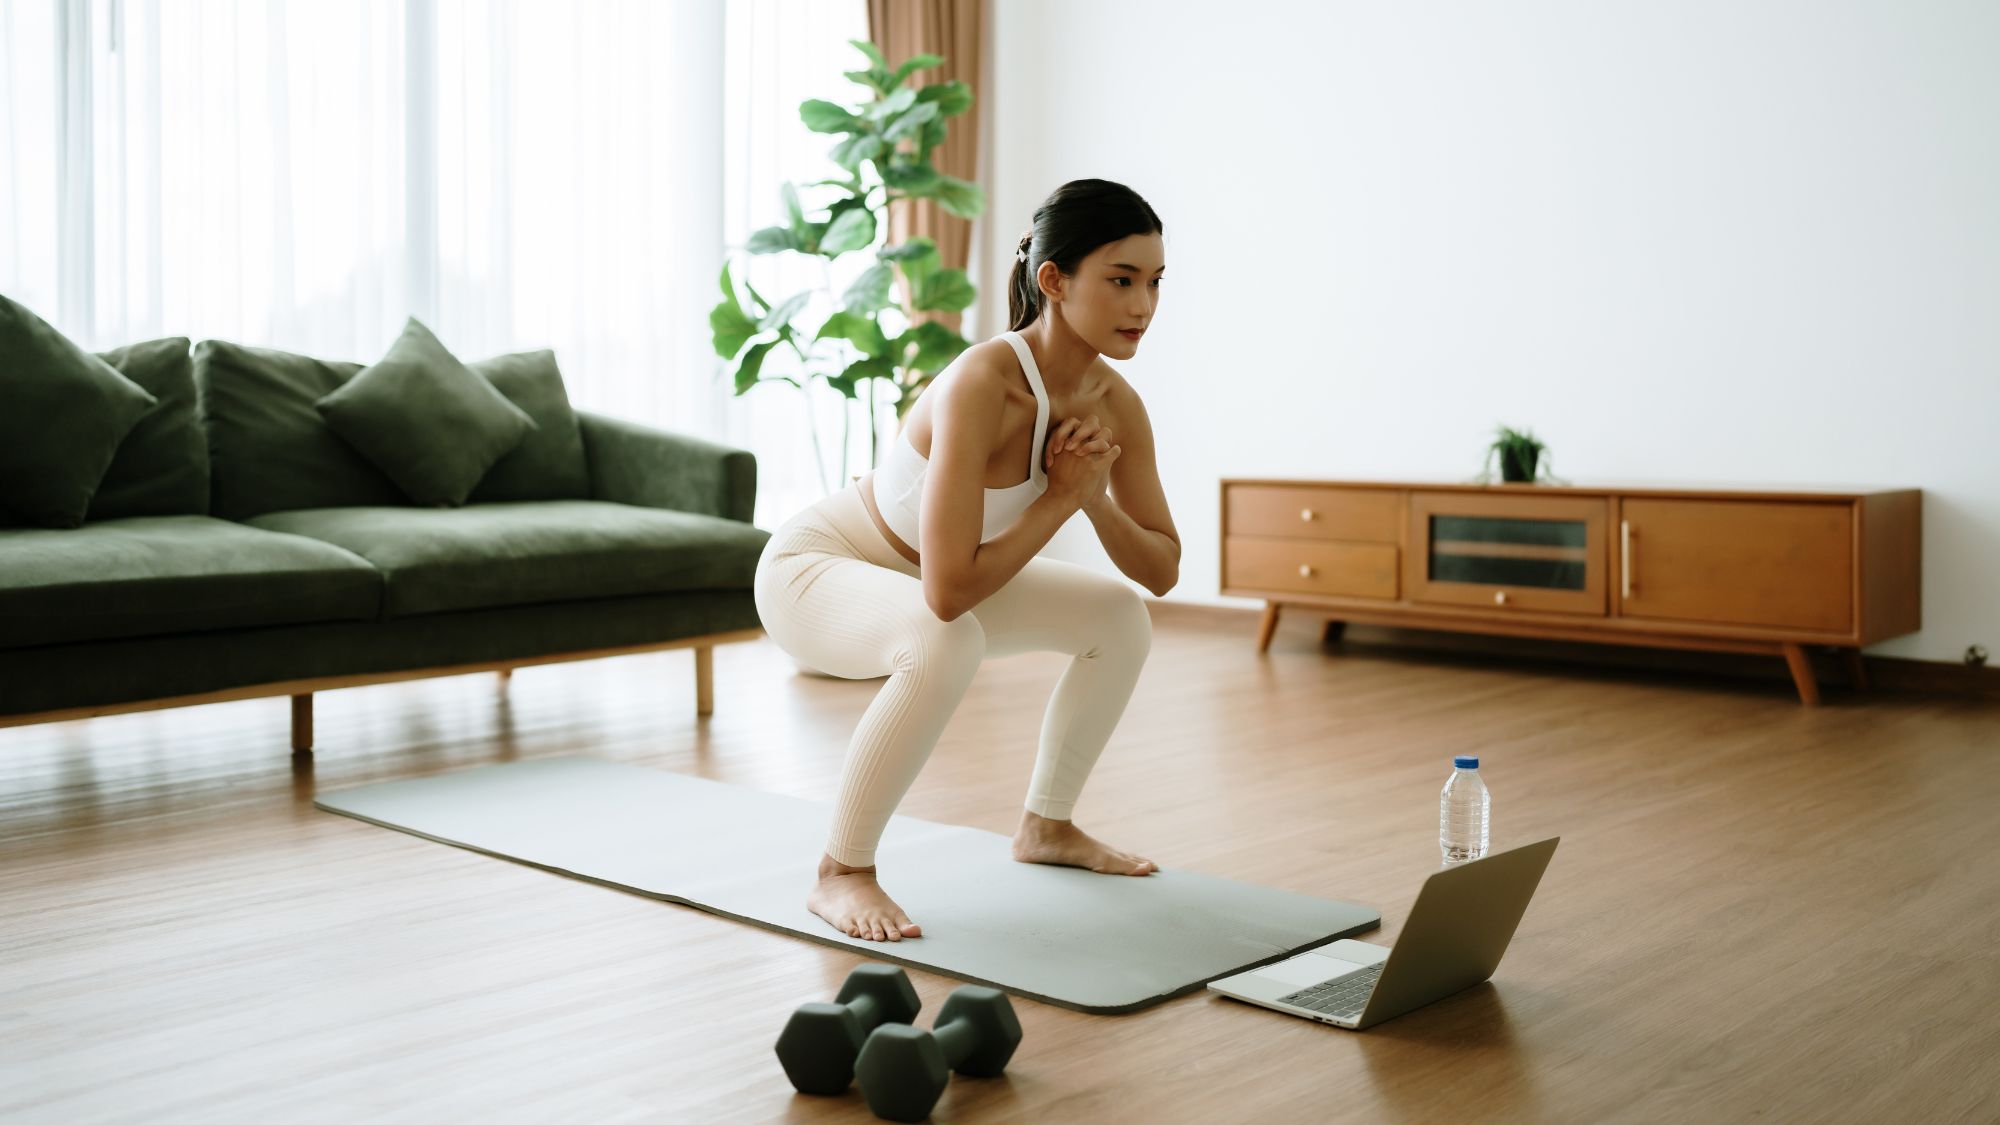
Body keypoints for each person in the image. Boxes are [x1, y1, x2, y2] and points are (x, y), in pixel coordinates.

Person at [752, 178, 1179, 943]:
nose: (1143, 305)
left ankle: (1047, 826)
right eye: (1121, 280)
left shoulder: (1117, 405)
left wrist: (1093, 499)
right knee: (945, 635)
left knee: (1120, 615)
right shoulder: (983, 382)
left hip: (922, 584)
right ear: (1054, 280)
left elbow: (1161, 569)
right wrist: (1058, 497)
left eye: (1154, 282)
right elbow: (949, 593)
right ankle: (840, 870)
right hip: (815, 571)